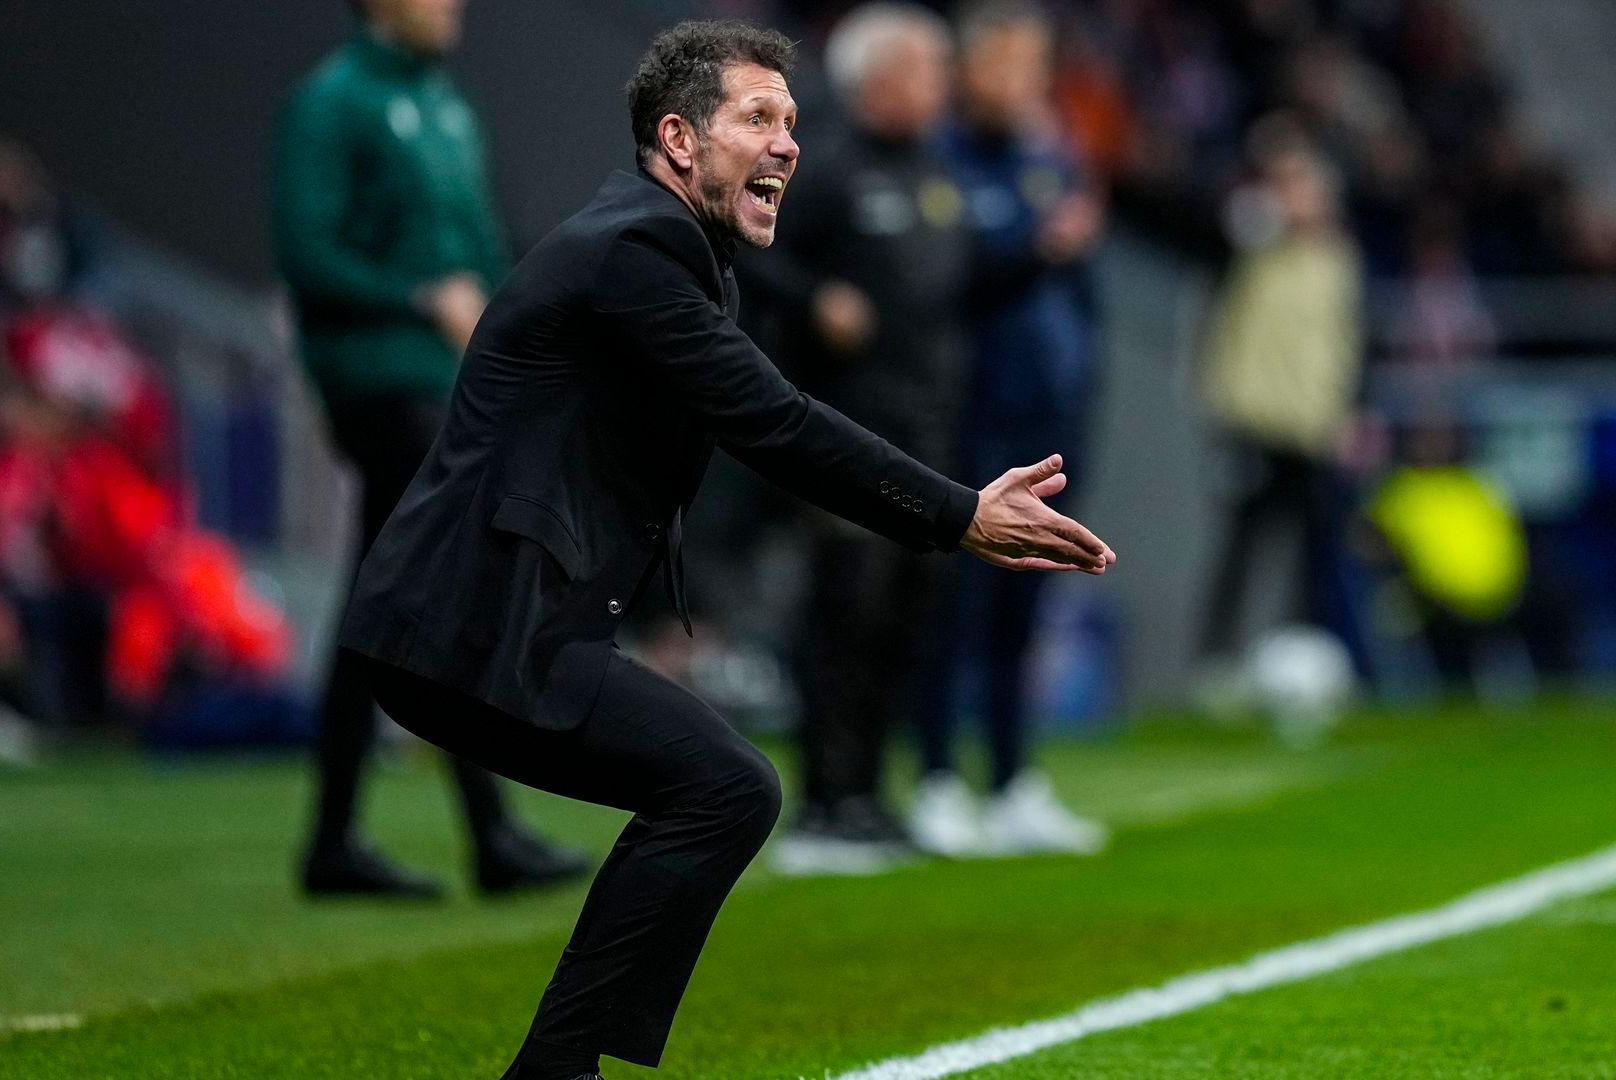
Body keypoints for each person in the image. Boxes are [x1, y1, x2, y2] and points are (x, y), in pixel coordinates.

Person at [338, 20, 1114, 1078]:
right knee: (723, 787)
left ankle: (555, 1069)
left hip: (492, 618)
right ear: (679, 139)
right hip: (475, 620)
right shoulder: (638, 249)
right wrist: (958, 514)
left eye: (792, 121)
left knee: (717, 789)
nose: (788, 143)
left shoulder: (682, 257)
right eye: (758, 117)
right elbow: (777, 423)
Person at [272, 0, 585, 898]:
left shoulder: (444, 103)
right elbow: (307, 252)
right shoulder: (332, 102)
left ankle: (336, 840)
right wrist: (419, 299)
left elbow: (481, 243)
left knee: (384, 595)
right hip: (383, 380)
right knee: (438, 587)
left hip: (449, 382)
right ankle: (489, 832)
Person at [735, 3, 971, 874]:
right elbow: (753, 253)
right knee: (845, 614)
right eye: (925, 70)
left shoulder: (935, 173)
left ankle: (870, 795)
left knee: (903, 623)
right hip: (846, 432)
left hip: (927, 430)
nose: (939, 87)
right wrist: (814, 304)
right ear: (878, 79)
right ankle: (824, 805)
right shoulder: (822, 168)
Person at [909, 0, 1107, 858]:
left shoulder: (1045, 156)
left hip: (1049, 417)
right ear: (969, 71)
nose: (1023, 86)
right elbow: (951, 277)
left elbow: (1074, 286)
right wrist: (1042, 248)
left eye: (1033, 68)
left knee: (1027, 605)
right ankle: (938, 778)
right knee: (955, 604)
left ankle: (1014, 780)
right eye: (1008, 67)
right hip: (969, 416)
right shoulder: (940, 162)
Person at [1196, 139, 1364, 662]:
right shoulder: (1255, 248)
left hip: (1312, 426)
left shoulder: (1337, 260)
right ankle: (1217, 660)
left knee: (1315, 551)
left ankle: (1308, 656)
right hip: (1254, 422)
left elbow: (1344, 343)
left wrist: (1345, 412)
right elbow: (1208, 231)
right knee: (1243, 545)